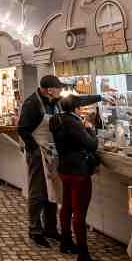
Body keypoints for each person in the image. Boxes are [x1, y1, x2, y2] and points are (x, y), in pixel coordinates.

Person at [16, 75, 102, 247]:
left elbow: (77, 100)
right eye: (59, 88)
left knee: (53, 192)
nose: (61, 91)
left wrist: (100, 97)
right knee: (38, 191)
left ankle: (50, 228)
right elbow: (22, 129)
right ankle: (35, 230)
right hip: (39, 152)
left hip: (51, 152)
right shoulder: (32, 104)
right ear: (49, 90)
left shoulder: (54, 101)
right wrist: (33, 149)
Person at [49, 96, 103, 261]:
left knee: (66, 206)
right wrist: (90, 128)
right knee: (79, 213)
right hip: (78, 171)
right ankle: (83, 255)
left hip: (64, 169)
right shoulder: (74, 123)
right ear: (76, 109)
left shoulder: (55, 119)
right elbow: (91, 145)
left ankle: (65, 241)